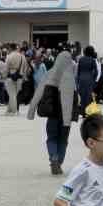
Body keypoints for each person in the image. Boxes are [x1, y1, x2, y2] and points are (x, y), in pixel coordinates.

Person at [39, 44, 79, 174]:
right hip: (65, 116)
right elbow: (74, 100)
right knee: (63, 139)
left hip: (53, 114)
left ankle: (54, 158)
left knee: (51, 138)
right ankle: (59, 162)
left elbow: (46, 96)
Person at [5, 44, 30, 116]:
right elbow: (26, 68)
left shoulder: (9, 56)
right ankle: (9, 109)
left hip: (11, 76)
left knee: (12, 94)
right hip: (20, 77)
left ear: (10, 48)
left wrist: (4, 76)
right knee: (15, 94)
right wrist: (24, 76)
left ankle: (14, 111)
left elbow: (6, 67)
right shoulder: (22, 56)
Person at [75, 45, 100, 113]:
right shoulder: (92, 60)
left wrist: (77, 81)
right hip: (89, 80)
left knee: (82, 96)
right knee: (88, 97)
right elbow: (96, 72)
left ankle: (82, 111)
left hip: (81, 79)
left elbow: (78, 71)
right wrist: (93, 79)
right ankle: (87, 111)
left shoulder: (81, 59)